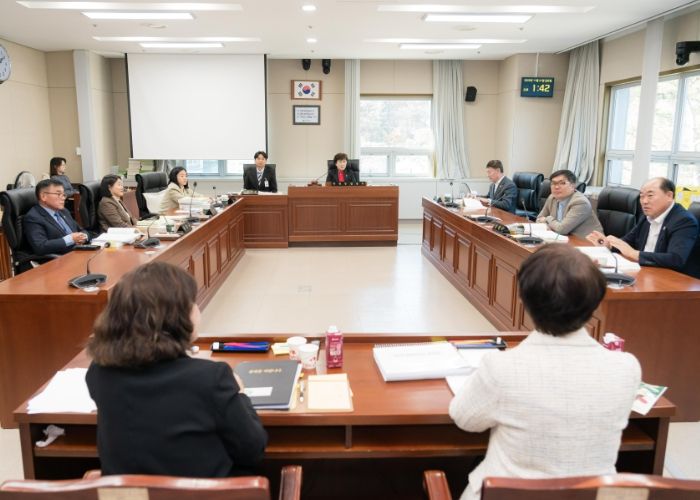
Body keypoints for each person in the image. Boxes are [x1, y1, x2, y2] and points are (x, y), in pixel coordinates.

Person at [449, 244, 641, 500]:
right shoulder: (626, 368)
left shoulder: (501, 367)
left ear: (523, 300)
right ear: (595, 304)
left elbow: (465, 419)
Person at [86, 261, 268, 477]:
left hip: (129, 492)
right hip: (203, 491)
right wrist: (241, 394)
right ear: (175, 318)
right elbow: (253, 449)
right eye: (193, 303)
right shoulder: (211, 378)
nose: (197, 309)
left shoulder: (99, 372)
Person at [587, 177, 699, 277]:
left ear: (669, 196)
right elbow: (628, 241)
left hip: (675, 280)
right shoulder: (647, 217)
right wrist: (609, 245)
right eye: (641, 196)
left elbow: (676, 259)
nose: (644, 201)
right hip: (647, 272)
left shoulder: (684, 221)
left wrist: (634, 254)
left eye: (650, 196)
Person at [23, 178, 90, 256]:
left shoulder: (63, 211)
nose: (63, 198)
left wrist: (84, 237)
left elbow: (81, 230)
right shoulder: (33, 217)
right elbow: (40, 246)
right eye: (58, 194)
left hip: (79, 252)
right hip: (61, 258)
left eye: (63, 194)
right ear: (43, 196)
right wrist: (71, 239)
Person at [536, 169, 602, 238]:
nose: (556, 187)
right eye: (553, 183)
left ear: (573, 186)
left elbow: (562, 229)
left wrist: (547, 219)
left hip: (587, 241)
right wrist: (546, 225)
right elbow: (539, 219)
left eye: (562, 183)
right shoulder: (552, 197)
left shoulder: (581, 202)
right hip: (562, 238)